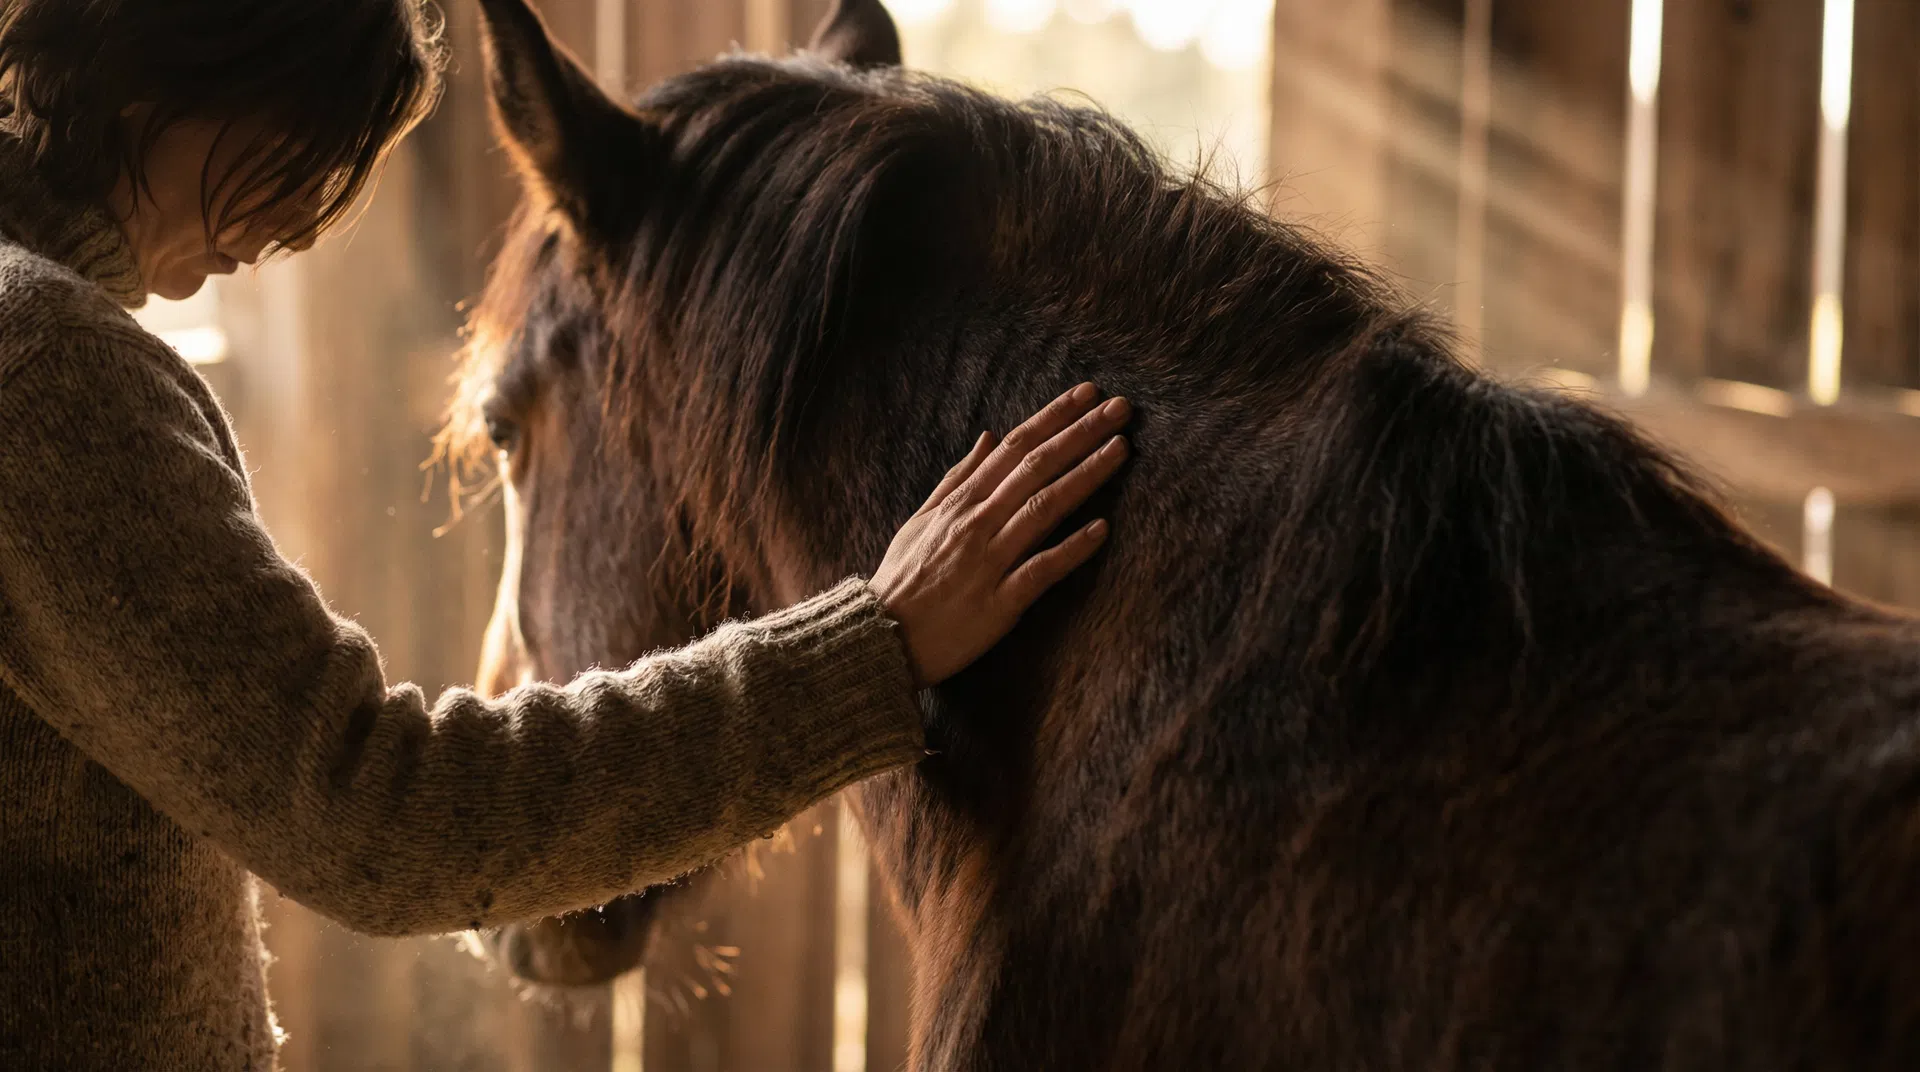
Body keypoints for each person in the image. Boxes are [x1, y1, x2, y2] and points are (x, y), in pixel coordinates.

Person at [0, 0, 1131, 1067]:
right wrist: (873, 652)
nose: (294, 226)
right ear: (175, 69)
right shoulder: (49, 371)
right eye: (293, 144)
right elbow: (375, 809)